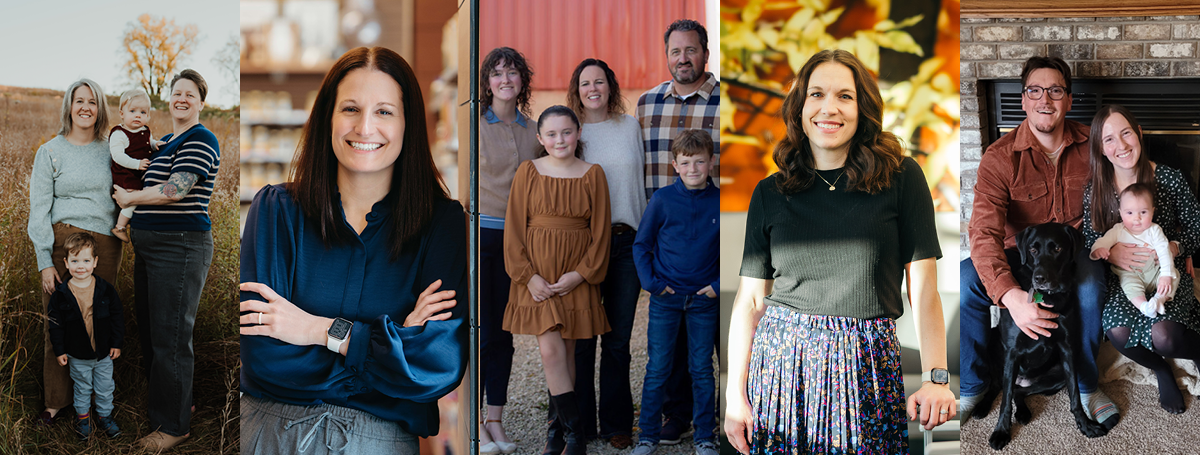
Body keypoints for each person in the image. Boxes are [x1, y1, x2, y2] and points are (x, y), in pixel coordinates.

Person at [238, 47, 467, 454]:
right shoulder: (276, 211)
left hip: (379, 443)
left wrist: (318, 330)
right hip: (269, 435)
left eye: (384, 111)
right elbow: (262, 356)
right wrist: (391, 348)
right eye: (350, 109)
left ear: (408, 123)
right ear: (327, 116)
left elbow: (436, 365)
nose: (364, 127)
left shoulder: (440, 225)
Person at [724, 50, 955, 453]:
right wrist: (734, 398)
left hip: (867, 365)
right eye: (816, 94)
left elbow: (923, 291)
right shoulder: (769, 192)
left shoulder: (902, 177)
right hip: (781, 366)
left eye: (845, 96)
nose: (829, 108)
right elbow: (750, 302)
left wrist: (936, 378)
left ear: (863, 108)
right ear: (800, 108)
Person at [959, 56, 1120, 429]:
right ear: (1023, 99)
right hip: (1022, 255)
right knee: (966, 280)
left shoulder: (1093, 145)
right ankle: (972, 384)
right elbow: (983, 232)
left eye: (1055, 91)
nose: (1044, 99)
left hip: (1075, 250)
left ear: (1069, 99)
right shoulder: (1000, 157)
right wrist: (1010, 295)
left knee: (1090, 286)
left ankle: (1086, 385)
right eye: (1035, 90)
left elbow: (1130, 179)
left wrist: (1157, 239)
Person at [112, 69, 221, 451]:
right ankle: (175, 403)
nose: (182, 99)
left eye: (190, 94)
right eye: (177, 93)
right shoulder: (166, 142)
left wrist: (130, 199)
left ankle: (173, 427)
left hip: (180, 247)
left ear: (201, 102)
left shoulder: (201, 138)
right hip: (151, 247)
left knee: (170, 337)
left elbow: (176, 190)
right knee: (154, 331)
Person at [502, 105, 611, 455]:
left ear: (578, 133)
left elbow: (600, 233)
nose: (559, 140)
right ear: (540, 138)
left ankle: (556, 434)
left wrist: (581, 275)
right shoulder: (528, 171)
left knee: (566, 354)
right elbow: (514, 229)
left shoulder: (593, 174)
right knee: (550, 352)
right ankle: (576, 436)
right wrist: (528, 277)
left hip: (574, 277)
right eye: (551, 134)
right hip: (539, 278)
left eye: (566, 132)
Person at [1080, 104, 1200, 414]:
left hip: (1164, 270)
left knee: (1165, 336)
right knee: (1118, 330)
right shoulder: (1097, 189)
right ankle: (1161, 369)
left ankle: (1196, 351)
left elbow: (1196, 227)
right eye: (1109, 139)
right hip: (1124, 276)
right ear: (1100, 149)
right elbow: (1090, 239)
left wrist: (1176, 248)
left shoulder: (1169, 179)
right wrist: (1111, 253)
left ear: (1139, 134)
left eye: (1126, 134)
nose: (1120, 145)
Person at [635, 19, 720, 442]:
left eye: (690, 50)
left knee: (709, 355)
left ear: (705, 53)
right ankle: (673, 418)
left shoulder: (727, 101)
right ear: (666, 55)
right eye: (675, 51)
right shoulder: (647, 104)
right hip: (665, 235)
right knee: (664, 359)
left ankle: (720, 422)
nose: (682, 58)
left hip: (712, 233)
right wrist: (650, 276)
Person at [28, 78, 124, 428]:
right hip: (63, 243)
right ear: (69, 106)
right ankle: (56, 402)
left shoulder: (111, 150)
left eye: (92, 101)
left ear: (100, 109)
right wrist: (44, 261)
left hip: (105, 247)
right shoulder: (50, 151)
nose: (85, 107)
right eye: (79, 100)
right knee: (59, 320)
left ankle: (97, 401)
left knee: (99, 321)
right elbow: (39, 209)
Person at [566, 57, 646, 449]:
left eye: (599, 81)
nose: (593, 89)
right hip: (584, 246)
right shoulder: (572, 132)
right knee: (582, 338)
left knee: (617, 340)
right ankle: (578, 424)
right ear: (576, 90)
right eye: (585, 83)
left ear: (610, 86)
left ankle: (616, 424)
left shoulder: (630, 127)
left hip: (626, 242)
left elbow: (640, 182)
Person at [630, 130, 719, 455]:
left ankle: (705, 436)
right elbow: (641, 245)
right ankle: (647, 436)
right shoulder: (663, 200)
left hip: (704, 301)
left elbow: (737, 247)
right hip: (665, 299)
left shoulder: (721, 201)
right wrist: (652, 283)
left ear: (711, 162)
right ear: (675, 165)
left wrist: (718, 286)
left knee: (701, 369)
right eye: (685, 162)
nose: (693, 169)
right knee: (658, 368)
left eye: (699, 162)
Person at [477, 46, 538, 455]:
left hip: (517, 243)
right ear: (487, 82)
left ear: (522, 81)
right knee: (480, 332)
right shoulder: (474, 125)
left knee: (503, 334)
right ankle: (473, 422)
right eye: (497, 73)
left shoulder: (534, 130)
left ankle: (495, 420)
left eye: (512, 72)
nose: (505, 80)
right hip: (479, 237)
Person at [47, 232, 124, 441]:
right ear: (66, 263)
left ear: (95, 262)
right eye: (75, 261)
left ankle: (105, 416)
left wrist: (116, 343)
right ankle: (83, 420)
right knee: (82, 388)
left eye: (86, 261)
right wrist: (60, 350)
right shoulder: (61, 295)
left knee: (105, 387)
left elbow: (117, 317)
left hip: (103, 353)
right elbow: (55, 326)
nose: (81, 266)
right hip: (77, 354)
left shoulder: (105, 290)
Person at [1089, 183, 1177, 317]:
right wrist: (1098, 250)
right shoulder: (1118, 231)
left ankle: (1159, 299)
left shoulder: (1155, 231)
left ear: (1152, 211)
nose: (1137, 218)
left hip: (1155, 271)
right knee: (1129, 285)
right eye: (1129, 213)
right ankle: (1144, 306)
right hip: (1130, 273)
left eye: (1143, 212)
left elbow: (1164, 251)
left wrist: (1165, 275)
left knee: (1174, 275)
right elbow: (1102, 242)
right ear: (1121, 213)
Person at [108, 88, 157, 243]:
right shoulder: (119, 134)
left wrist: (155, 144)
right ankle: (120, 227)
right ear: (122, 113)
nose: (138, 115)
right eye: (133, 111)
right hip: (125, 174)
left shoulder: (145, 130)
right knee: (132, 199)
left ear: (148, 115)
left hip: (138, 173)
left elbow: (148, 142)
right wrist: (137, 164)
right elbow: (118, 156)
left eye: (143, 112)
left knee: (141, 198)